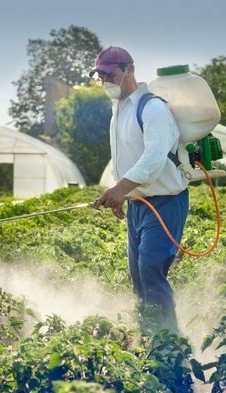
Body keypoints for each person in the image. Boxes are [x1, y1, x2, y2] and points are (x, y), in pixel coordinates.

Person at [90, 46, 189, 333]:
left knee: (150, 270)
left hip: (165, 203)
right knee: (138, 276)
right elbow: (126, 156)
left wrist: (121, 188)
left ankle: (168, 344)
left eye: (109, 75)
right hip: (138, 204)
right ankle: (148, 336)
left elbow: (154, 157)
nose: (105, 81)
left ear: (129, 70)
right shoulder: (118, 109)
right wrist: (124, 193)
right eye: (100, 77)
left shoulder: (153, 107)